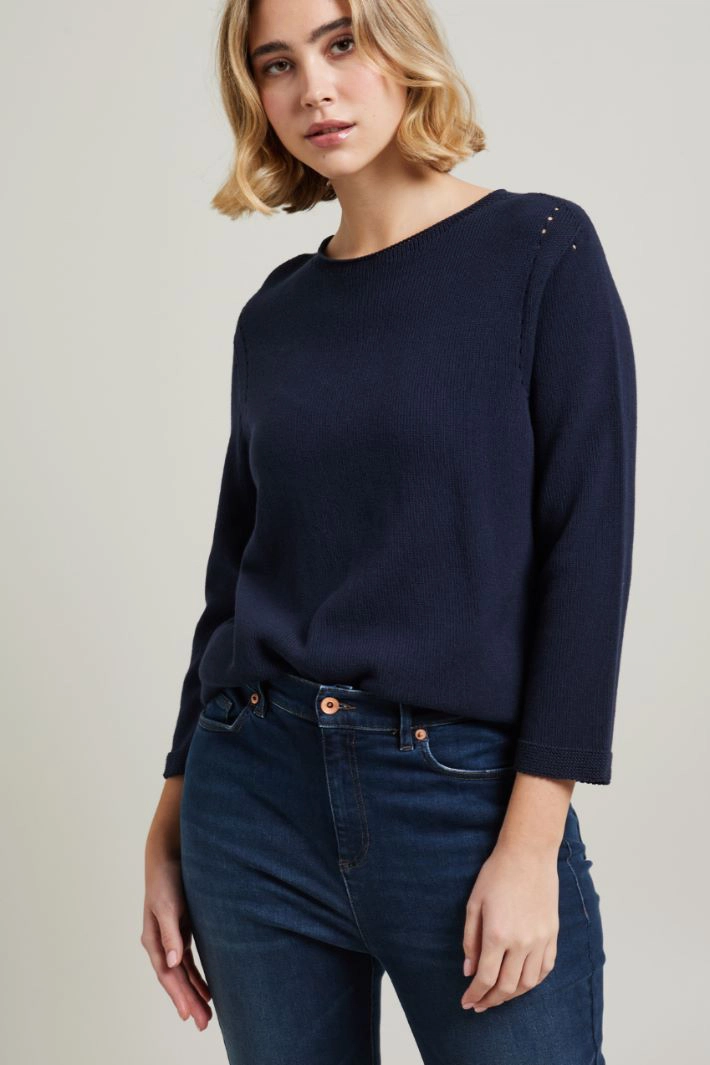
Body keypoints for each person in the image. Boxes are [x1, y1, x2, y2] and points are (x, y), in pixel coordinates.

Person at [141, 1, 636, 1062]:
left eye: (340, 43)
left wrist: (532, 839)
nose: (313, 88)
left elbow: (586, 555)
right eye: (276, 64)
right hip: (250, 800)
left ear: (401, 47)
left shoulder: (539, 251)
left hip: (457, 800)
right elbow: (234, 578)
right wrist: (170, 815)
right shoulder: (275, 314)